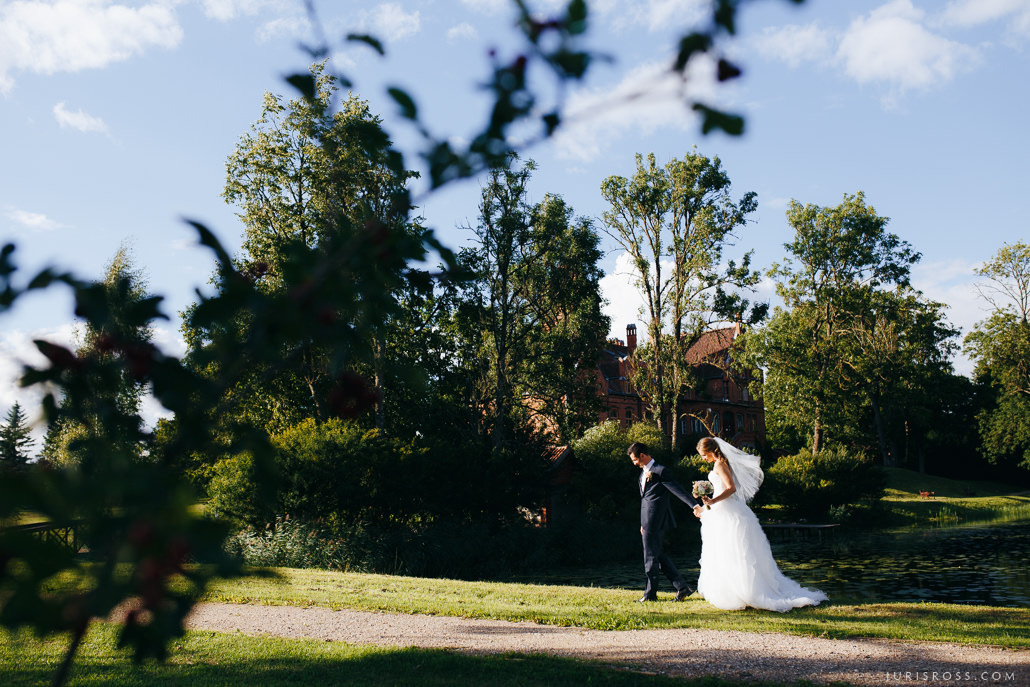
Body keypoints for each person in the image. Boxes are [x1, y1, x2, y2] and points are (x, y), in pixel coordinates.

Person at [695, 436, 828, 612]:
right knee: (727, 550)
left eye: (704, 455)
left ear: (711, 451)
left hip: (730, 512)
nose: (703, 459)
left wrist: (713, 501)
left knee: (736, 551)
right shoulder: (719, 464)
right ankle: (732, 589)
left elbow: (731, 488)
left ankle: (746, 591)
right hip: (723, 510)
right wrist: (709, 504)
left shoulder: (720, 464)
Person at [627, 441, 699, 602]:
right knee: (657, 554)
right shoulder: (643, 473)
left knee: (650, 557)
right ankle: (682, 587)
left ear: (643, 456)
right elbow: (646, 500)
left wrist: (694, 505)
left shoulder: (660, 471)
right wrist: (642, 524)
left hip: (656, 520)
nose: (634, 463)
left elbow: (677, 489)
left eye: (635, 460)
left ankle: (650, 594)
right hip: (647, 521)